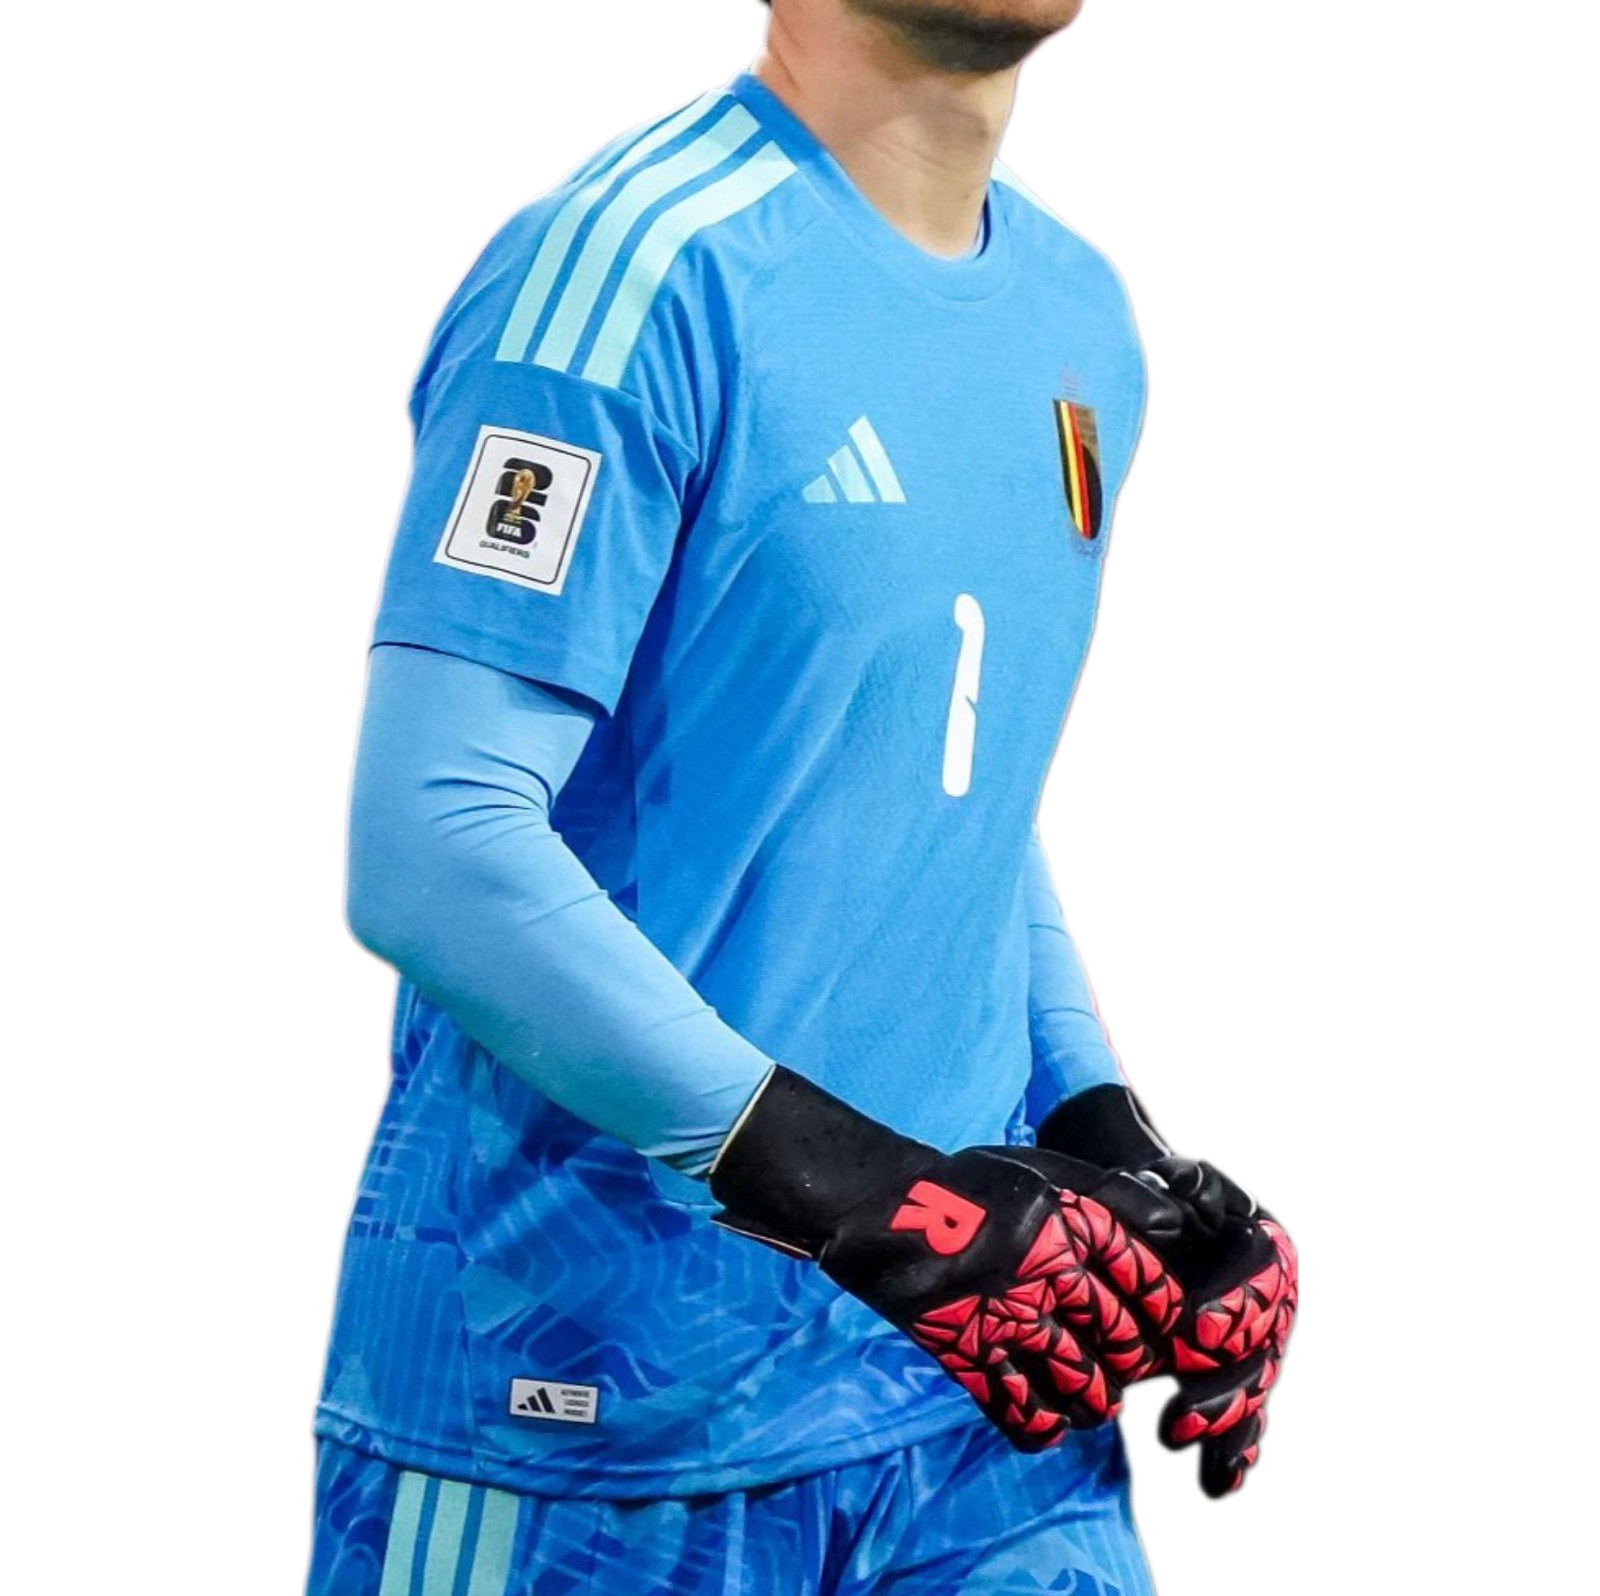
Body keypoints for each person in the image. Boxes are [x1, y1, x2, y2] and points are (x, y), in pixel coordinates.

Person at [306, 2, 1298, 1591]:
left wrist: (1116, 1151)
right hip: (598, 1418)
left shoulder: (1075, 316)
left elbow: (930, 790)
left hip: (971, 1398)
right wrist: (866, 1199)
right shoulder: (631, 281)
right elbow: (437, 841)